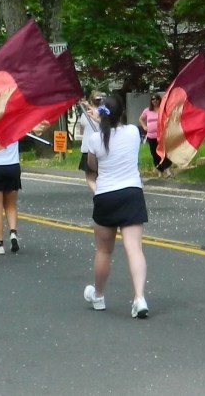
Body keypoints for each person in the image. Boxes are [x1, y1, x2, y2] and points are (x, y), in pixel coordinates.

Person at [82, 95, 149, 318]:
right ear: (122, 113)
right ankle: (139, 298)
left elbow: (92, 166)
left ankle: (99, 295)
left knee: (103, 250)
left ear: (102, 114)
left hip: (106, 195)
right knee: (134, 248)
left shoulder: (95, 139)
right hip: (131, 193)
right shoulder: (133, 132)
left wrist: (99, 127)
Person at [138, 93, 173, 177]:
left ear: (159, 100)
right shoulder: (147, 110)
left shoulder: (162, 109)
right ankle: (160, 171)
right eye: (153, 99)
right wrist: (144, 126)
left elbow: (168, 119)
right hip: (151, 136)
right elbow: (141, 119)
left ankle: (167, 170)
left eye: (156, 99)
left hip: (161, 136)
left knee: (163, 153)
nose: (154, 101)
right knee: (154, 154)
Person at [77, 92, 103, 176]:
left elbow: (81, 131)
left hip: (87, 147)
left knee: (90, 176)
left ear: (91, 101)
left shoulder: (85, 115)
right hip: (101, 147)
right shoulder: (104, 114)